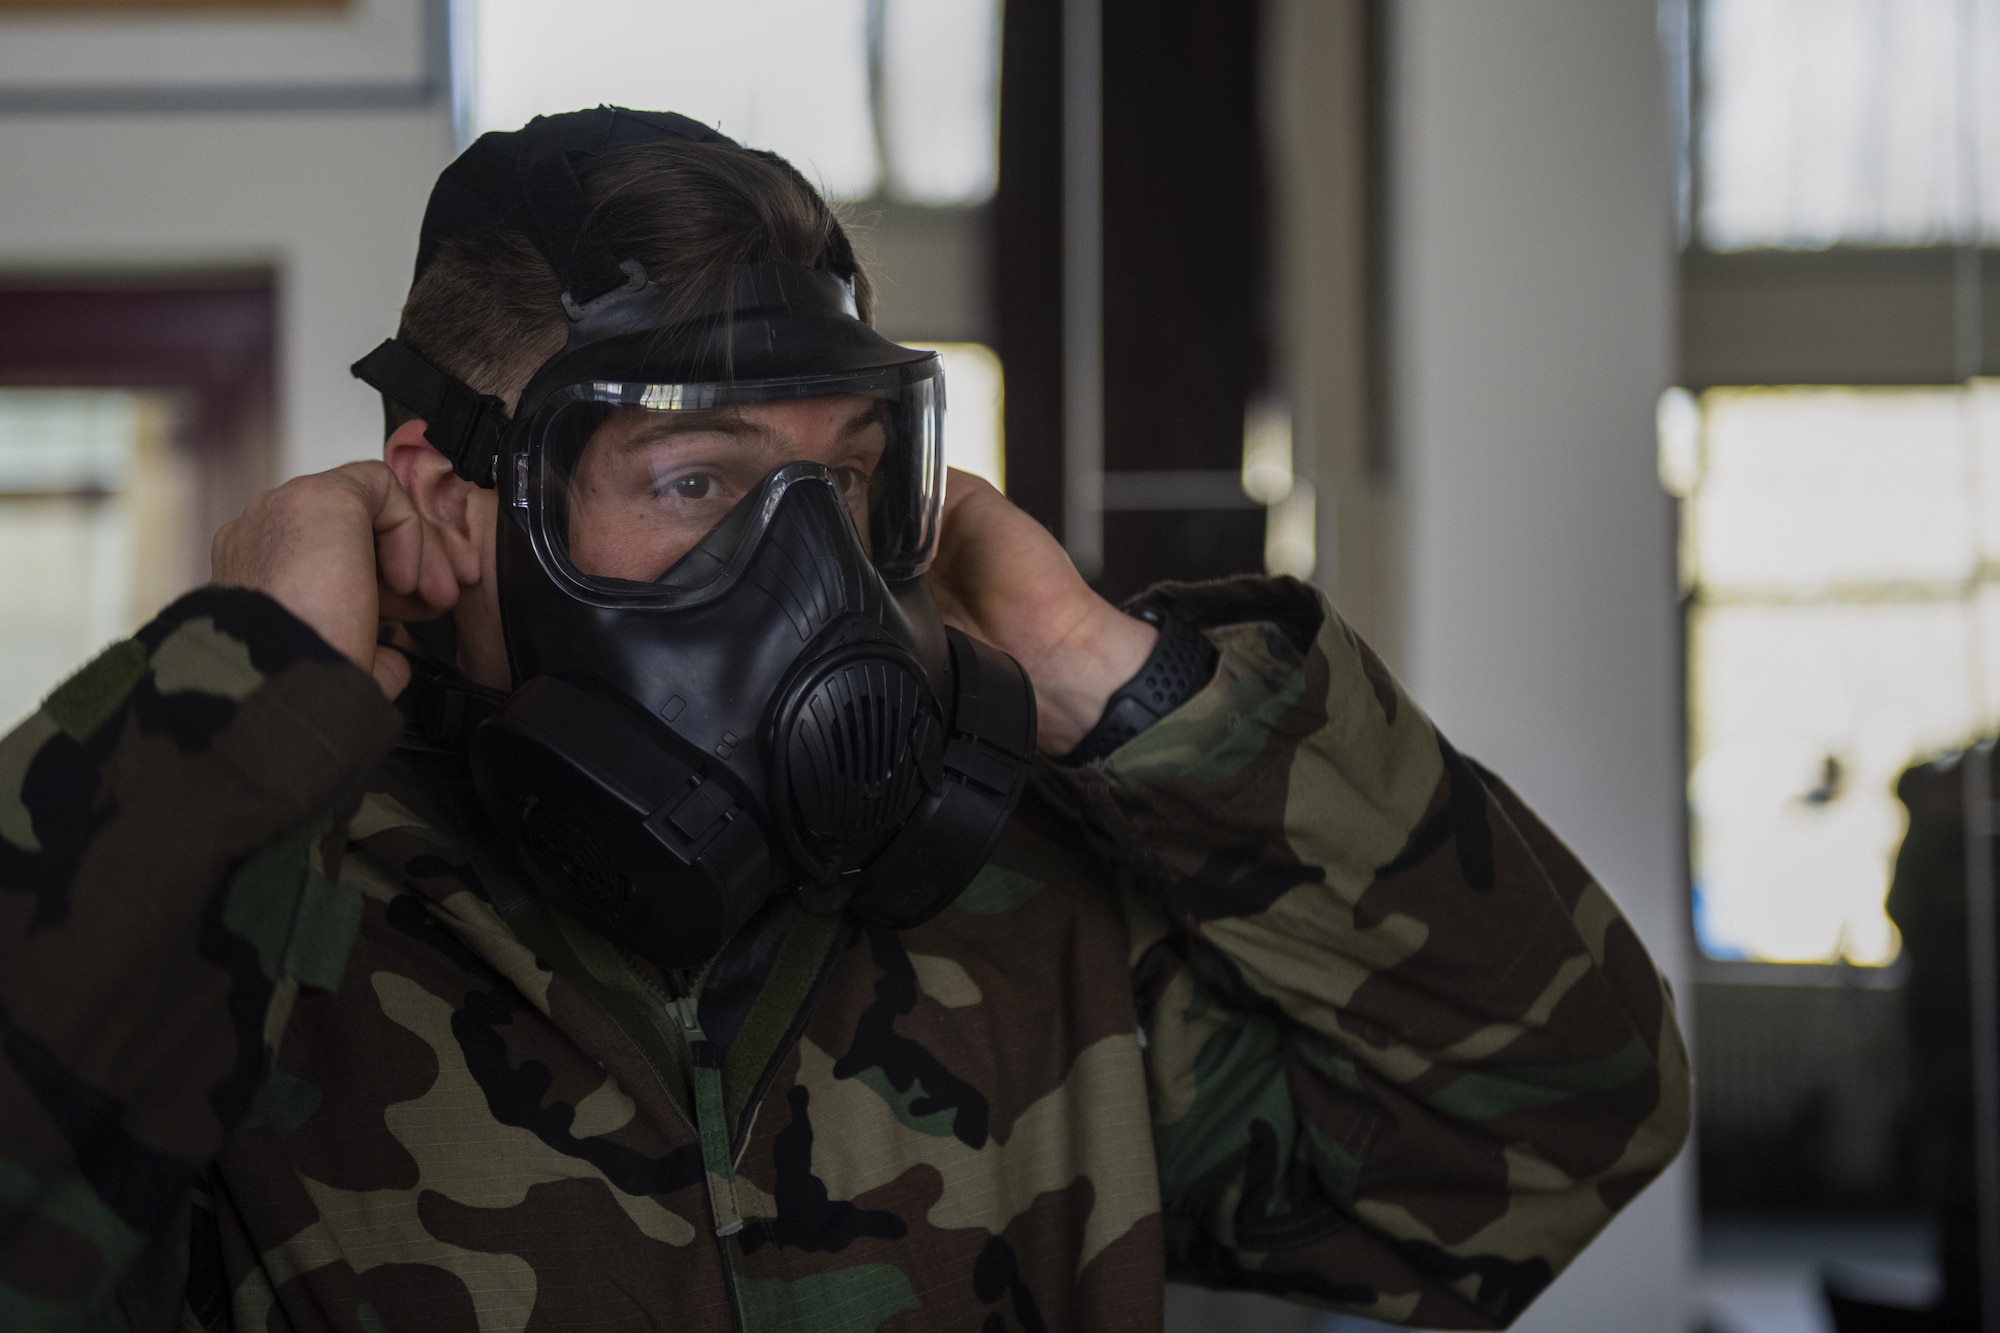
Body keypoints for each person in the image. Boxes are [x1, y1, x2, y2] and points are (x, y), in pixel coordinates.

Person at [0, 108, 1688, 1332]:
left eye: (852, 480)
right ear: (450, 496)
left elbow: (1554, 1117)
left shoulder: (1018, 929)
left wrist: (1107, 671)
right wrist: (237, 696)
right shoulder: (255, 931)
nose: (801, 566)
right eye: (692, 479)